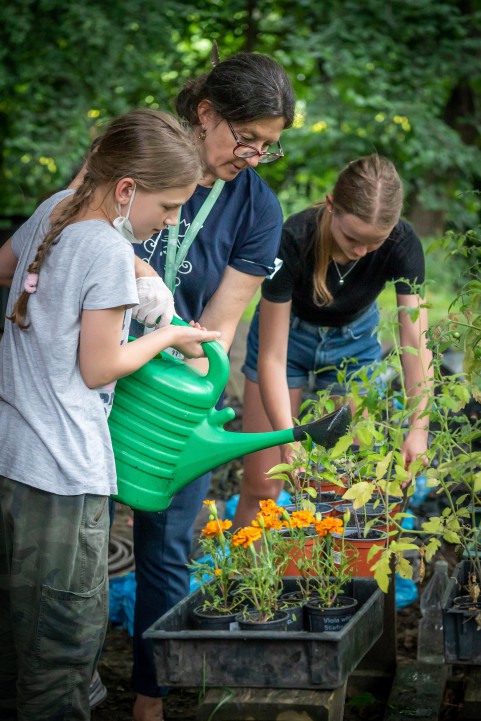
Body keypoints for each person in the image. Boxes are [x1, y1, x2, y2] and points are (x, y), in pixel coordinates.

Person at [0, 108, 221, 721]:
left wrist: (134, 273)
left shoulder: (58, 210)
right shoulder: (103, 245)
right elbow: (99, 367)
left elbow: (4, 268)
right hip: (65, 475)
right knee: (62, 655)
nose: (171, 222)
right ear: (127, 190)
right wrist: (169, 336)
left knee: (14, 646)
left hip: (12, 455)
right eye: (170, 207)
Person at [130, 49, 295, 721]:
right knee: (74, 544)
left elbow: (218, 332)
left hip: (173, 391)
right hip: (89, 378)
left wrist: (168, 389)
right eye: (244, 139)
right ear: (204, 114)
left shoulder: (257, 207)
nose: (251, 156)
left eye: (268, 147)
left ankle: (148, 695)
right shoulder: (140, 154)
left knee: (167, 547)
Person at [234, 153, 433, 529]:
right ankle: (243, 584)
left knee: (343, 485)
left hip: (353, 345)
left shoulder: (403, 243)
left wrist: (418, 429)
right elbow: (273, 358)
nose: (360, 251)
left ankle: (323, 582)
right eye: (352, 238)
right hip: (287, 339)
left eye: (373, 243)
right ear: (330, 206)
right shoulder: (293, 238)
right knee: (264, 484)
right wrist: (288, 440)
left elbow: (415, 342)